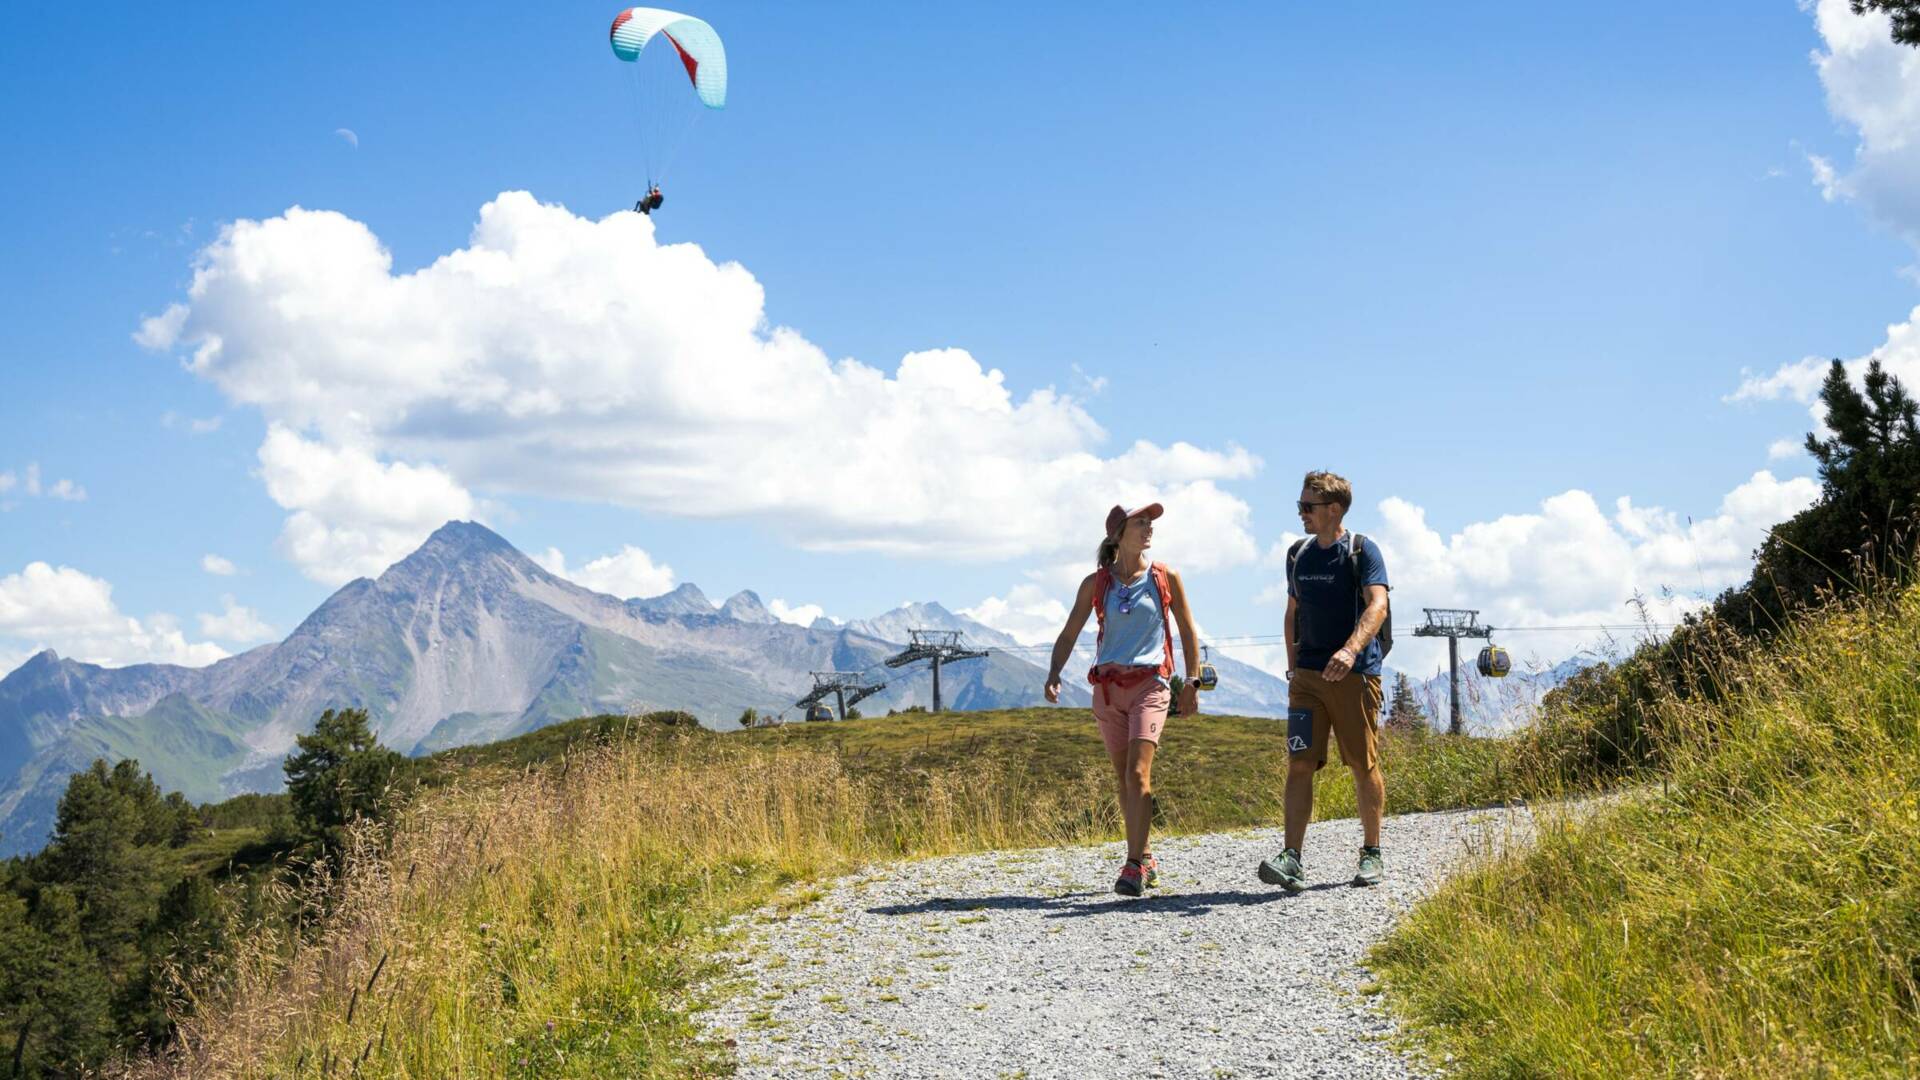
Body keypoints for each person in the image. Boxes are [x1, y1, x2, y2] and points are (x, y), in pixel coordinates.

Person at [1045, 502, 1202, 897]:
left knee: (1137, 774)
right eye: (1140, 522)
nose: (1149, 528)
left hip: (1151, 684)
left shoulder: (1165, 577)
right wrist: (1053, 673)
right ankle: (1145, 855)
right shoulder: (1097, 584)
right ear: (1119, 534)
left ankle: (1132, 866)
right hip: (1108, 689)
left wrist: (1194, 681)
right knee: (1123, 779)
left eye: (1151, 522)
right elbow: (1068, 633)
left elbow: (1186, 630)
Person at [1258, 470, 1391, 892]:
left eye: (1307, 507)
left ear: (1334, 510)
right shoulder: (1297, 554)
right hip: (1307, 679)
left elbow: (1378, 606)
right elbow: (1292, 611)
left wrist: (1350, 650)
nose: (1301, 514)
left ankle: (1371, 853)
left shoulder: (1362, 551)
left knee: (1361, 762)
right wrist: (1293, 666)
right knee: (1300, 763)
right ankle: (1291, 858)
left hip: (1355, 675)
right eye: (1300, 506)